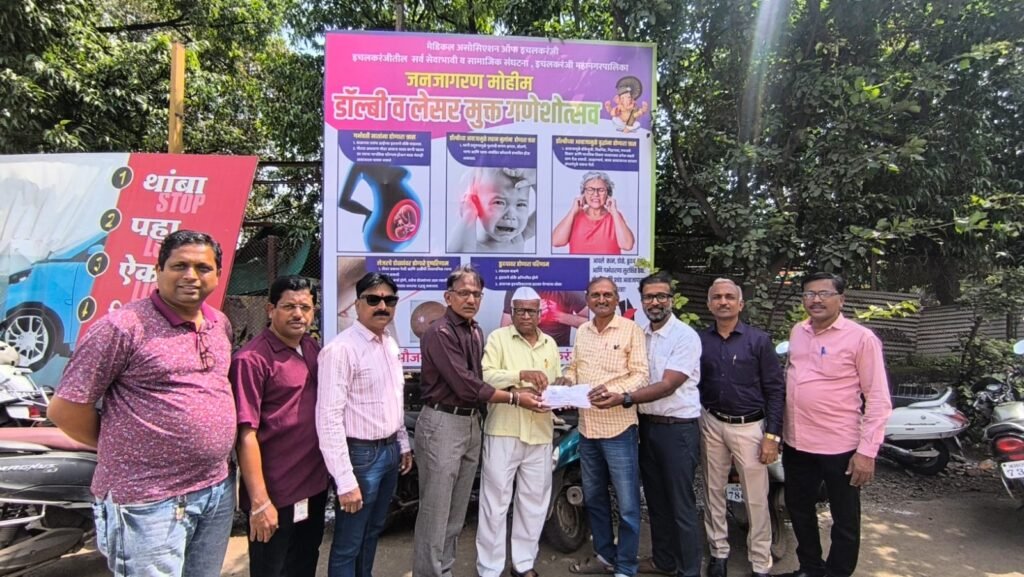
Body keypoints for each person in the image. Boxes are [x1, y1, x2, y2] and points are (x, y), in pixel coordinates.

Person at [49, 230, 236, 577]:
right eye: (179, 266)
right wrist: (125, 445)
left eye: (202, 267)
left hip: (214, 490)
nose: (191, 276)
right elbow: (65, 409)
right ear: (158, 270)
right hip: (148, 500)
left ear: (217, 274)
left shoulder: (218, 324)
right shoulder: (122, 328)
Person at [413, 265, 546, 577]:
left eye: (476, 294)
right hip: (443, 423)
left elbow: (480, 378)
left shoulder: (473, 330)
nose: (470, 299)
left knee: (456, 510)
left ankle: (444, 569)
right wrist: (515, 397)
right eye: (463, 293)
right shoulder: (440, 333)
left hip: (471, 422)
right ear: (448, 297)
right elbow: (466, 385)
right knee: (436, 512)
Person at [777, 272, 892, 577]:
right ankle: (810, 568)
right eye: (809, 294)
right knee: (799, 509)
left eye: (824, 293)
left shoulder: (861, 338)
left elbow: (878, 399)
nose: (816, 300)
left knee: (845, 517)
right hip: (797, 442)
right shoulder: (798, 331)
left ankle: (838, 572)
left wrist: (867, 452)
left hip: (840, 446)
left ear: (841, 299)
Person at [230, 275, 329, 577]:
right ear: (270, 309)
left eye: (305, 307)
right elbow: (245, 434)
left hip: (313, 487)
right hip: (275, 493)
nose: (298, 314)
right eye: (289, 307)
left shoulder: (311, 348)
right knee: (272, 569)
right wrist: (260, 502)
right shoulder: (251, 360)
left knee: (304, 563)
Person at [317, 272, 414, 577]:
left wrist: (402, 443)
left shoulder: (389, 344)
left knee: (372, 532)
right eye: (373, 299)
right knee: (349, 541)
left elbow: (393, 398)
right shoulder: (340, 350)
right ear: (357, 305)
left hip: (389, 452)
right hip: (360, 457)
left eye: (389, 300)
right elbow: (328, 419)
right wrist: (345, 480)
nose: (382, 306)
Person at [561, 277, 648, 577]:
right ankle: (605, 555)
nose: (601, 299)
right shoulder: (583, 331)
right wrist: (566, 379)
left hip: (619, 430)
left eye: (607, 294)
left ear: (616, 298)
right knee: (595, 498)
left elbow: (641, 374)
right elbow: (575, 367)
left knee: (627, 504)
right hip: (587, 430)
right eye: (596, 295)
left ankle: (626, 566)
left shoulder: (631, 330)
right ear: (587, 299)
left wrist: (615, 393)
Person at [698, 279, 785, 577]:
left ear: (740, 304)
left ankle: (760, 562)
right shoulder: (701, 341)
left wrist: (772, 436)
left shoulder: (758, 341)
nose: (723, 302)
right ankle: (718, 552)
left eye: (729, 297)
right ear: (709, 304)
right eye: (717, 297)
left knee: (756, 497)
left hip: (750, 426)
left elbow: (775, 389)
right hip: (711, 422)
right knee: (713, 491)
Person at [476, 286, 560, 577]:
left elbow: (554, 382)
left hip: (540, 431)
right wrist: (521, 375)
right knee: (494, 502)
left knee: (534, 502)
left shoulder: (550, 343)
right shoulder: (498, 338)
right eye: (520, 310)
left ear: (540, 313)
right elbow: (486, 377)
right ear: (511, 313)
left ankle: (523, 564)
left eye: (531, 311)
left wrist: (560, 389)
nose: (526, 316)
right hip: (504, 431)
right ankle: (490, 568)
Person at [447, 167, 537, 253]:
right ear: (476, 203)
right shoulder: (474, 248)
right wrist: (469, 214)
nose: (511, 215)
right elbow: (458, 253)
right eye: (499, 202)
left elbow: (543, 213)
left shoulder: (518, 238)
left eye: (521, 204)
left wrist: (535, 179)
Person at [552, 171, 636, 255]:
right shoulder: (575, 215)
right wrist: (572, 211)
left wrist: (614, 212)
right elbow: (556, 242)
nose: (595, 194)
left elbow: (627, 246)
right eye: (590, 189)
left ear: (608, 194)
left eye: (601, 190)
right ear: (583, 193)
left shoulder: (615, 216)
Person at [499, 289, 588, 347]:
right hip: (522, 348)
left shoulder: (569, 288)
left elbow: (592, 323)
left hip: (558, 349)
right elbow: (505, 329)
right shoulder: (517, 289)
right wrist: (532, 316)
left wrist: (558, 315)